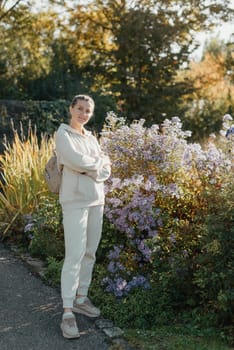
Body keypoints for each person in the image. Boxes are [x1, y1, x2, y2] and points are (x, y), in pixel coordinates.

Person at [55, 94, 111, 339]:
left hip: (96, 200)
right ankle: (68, 312)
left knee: (90, 252)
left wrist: (92, 167)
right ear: (71, 109)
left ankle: (81, 298)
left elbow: (106, 167)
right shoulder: (63, 134)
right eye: (80, 109)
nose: (83, 114)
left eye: (88, 111)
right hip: (75, 202)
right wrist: (94, 165)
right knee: (74, 255)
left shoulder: (91, 138)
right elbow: (73, 160)